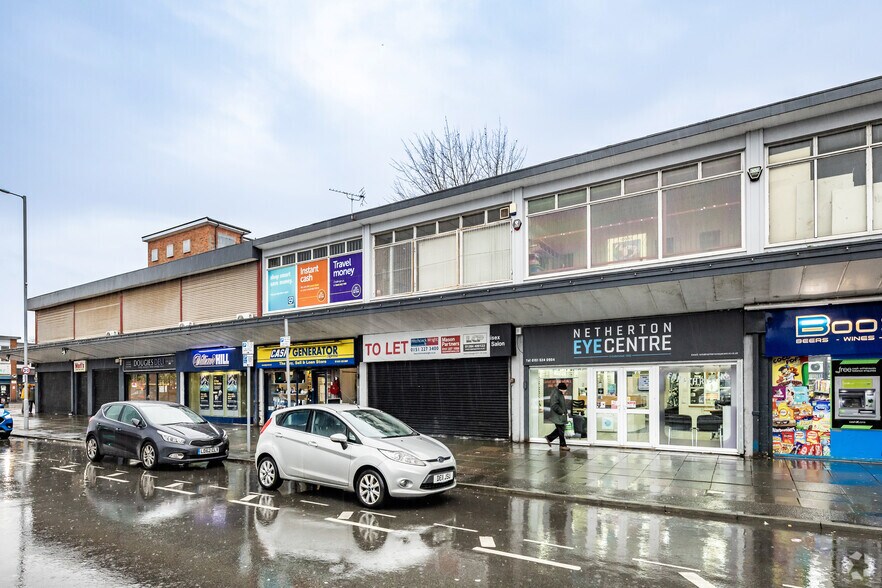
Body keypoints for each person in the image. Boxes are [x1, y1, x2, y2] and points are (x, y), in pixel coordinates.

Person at [545, 382, 570, 451]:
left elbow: (562, 404)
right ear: (561, 389)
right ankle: (562, 445)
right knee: (561, 430)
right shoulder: (556, 394)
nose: (565, 391)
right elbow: (554, 405)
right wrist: (561, 412)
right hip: (557, 415)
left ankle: (549, 438)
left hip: (559, 415)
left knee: (560, 429)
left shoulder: (559, 393)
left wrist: (565, 412)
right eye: (565, 390)